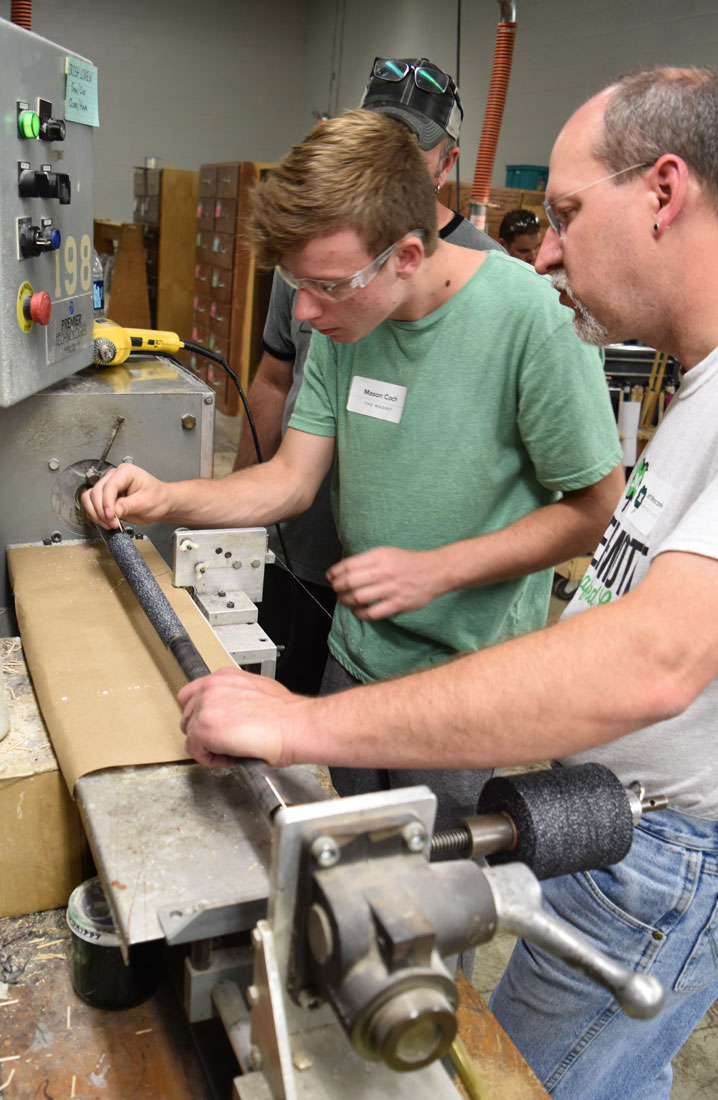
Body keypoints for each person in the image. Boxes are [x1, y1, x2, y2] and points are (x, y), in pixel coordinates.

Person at [165, 67, 718, 1099]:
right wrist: (165, 497)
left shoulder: (532, 323)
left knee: (483, 1055)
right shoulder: (697, 396)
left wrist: (301, 723)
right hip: (590, 800)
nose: (543, 248)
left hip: (639, 828)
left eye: (561, 213)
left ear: (662, 191)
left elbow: (652, 653)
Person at [83, 108, 623, 831]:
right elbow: (291, 480)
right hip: (353, 658)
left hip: (463, 685)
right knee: (345, 866)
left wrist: (442, 569)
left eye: (327, 286)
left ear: (404, 255)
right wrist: (167, 495)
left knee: (433, 901)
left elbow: (596, 506)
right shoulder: (349, 319)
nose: (304, 313)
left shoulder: (533, 321)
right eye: (295, 285)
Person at [235, 56, 506, 697]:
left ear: (447, 162)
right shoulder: (311, 257)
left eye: (413, 146)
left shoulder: (495, 285)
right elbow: (275, 381)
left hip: (408, 597)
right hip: (298, 542)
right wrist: (237, 515)